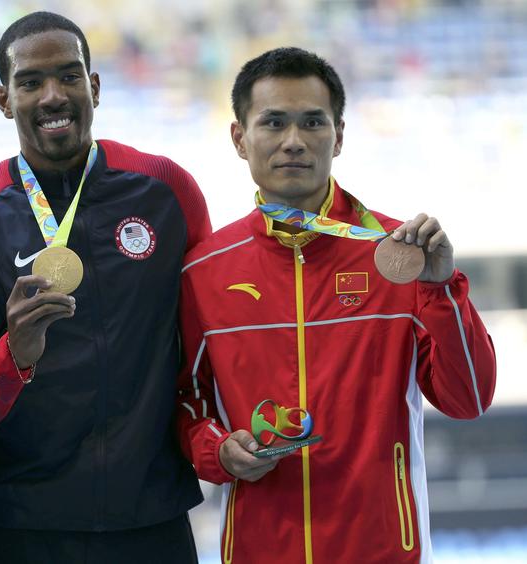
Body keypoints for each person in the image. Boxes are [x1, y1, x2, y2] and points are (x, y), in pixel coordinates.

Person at [177, 47, 496, 563]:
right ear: (240, 138)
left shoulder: (400, 256)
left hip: (384, 550)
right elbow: (186, 401)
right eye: (274, 122)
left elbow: (471, 399)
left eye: (312, 122)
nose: (294, 142)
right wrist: (216, 450)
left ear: (339, 136)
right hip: (260, 549)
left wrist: (442, 290)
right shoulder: (204, 271)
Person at [0, 11, 211, 564]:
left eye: (69, 76)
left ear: (95, 86)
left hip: (152, 520)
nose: (52, 95)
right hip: (23, 530)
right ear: (3, 100)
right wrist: (13, 357)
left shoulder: (165, 190)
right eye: (30, 82)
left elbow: (208, 352)